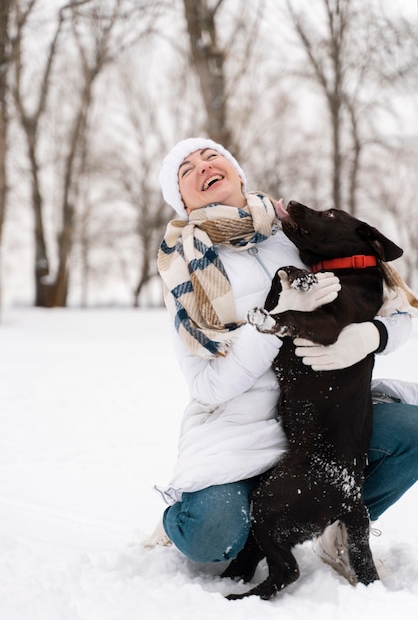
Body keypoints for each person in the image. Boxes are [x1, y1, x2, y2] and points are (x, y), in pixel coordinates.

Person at [146, 137, 418, 582]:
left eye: (212, 156)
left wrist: (372, 335)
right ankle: (186, 513)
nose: (202, 167)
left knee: (412, 431)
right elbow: (207, 386)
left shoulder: (298, 236)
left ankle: (342, 528)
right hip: (240, 431)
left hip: (322, 421)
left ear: (237, 173)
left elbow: (399, 308)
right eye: (186, 170)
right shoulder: (186, 272)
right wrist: (273, 323)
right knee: (211, 535)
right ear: (182, 201)